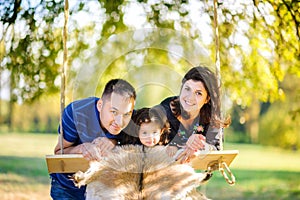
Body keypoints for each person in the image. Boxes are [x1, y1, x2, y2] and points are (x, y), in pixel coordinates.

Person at [50, 79, 136, 200]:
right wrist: (82, 148)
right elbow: (59, 152)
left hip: (100, 189)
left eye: (126, 114)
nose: (120, 122)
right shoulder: (75, 113)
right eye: (113, 112)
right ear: (100, 105)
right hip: (67, 187)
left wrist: (113, 141)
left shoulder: (132, 121)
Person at [159, 66, 231, 163]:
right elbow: (149, 143)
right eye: (187, 89)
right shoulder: (164, 111)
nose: (190, 97)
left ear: (207, 99)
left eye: (198, 93)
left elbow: (217, 149)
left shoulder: (212, 117)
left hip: (195, 173)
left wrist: (199, 145)